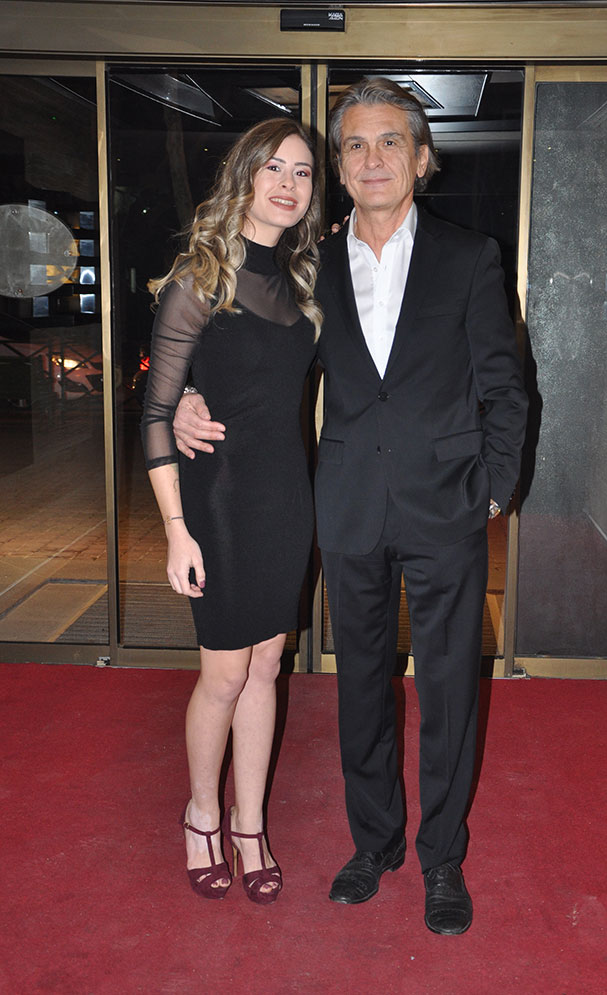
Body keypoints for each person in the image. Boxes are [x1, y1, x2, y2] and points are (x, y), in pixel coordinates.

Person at [173, 77, 528, 933]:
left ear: (422, 157)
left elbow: (507, 387)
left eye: (390, 141)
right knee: (361, 686)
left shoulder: (470, 257)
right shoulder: (313, 266)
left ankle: (442, 857)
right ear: (340, 166)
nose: (372, 159)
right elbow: (252, 356)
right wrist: (183, 396)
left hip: (446, 506)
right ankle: (375, 842)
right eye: (355, 145)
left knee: (447, 687)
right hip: (345, 507)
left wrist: (492, 487)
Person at [141, 118, 322, 903]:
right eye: (273, 167)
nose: (288, 183)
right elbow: (155, 411)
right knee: (223, 673)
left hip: (286, 496)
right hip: (216, 499)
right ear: (244, 175)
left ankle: (251, 824)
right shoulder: (200, 278)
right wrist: (175, 530)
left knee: (268, 666)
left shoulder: (306, 282)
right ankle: (202, 814)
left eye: (303, 172)